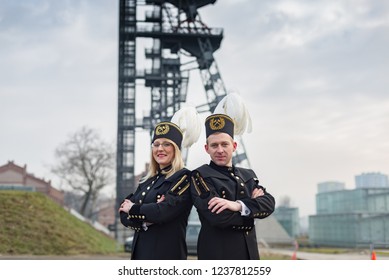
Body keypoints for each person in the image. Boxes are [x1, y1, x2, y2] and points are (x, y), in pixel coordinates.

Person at [190, 113, 276, 260]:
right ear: (207, 148)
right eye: (214, 145)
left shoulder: (248, 175)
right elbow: (218, 217)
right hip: (218, 256)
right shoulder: (200, 175)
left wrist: (237, 205)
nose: (220, 150)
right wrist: (252, 213)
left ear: (234, 146)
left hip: (249, 255)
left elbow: (269, 204)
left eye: (224, 144)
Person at [118, 109, 201, 259]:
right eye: (156, 144)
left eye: (166, 144)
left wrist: (134, 208)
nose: (160, 149)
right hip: (140, 254)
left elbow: (163, 212)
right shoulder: (147, 180)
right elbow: (123, 212)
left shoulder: (184, 177)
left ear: (176, 149)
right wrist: (144, 221)